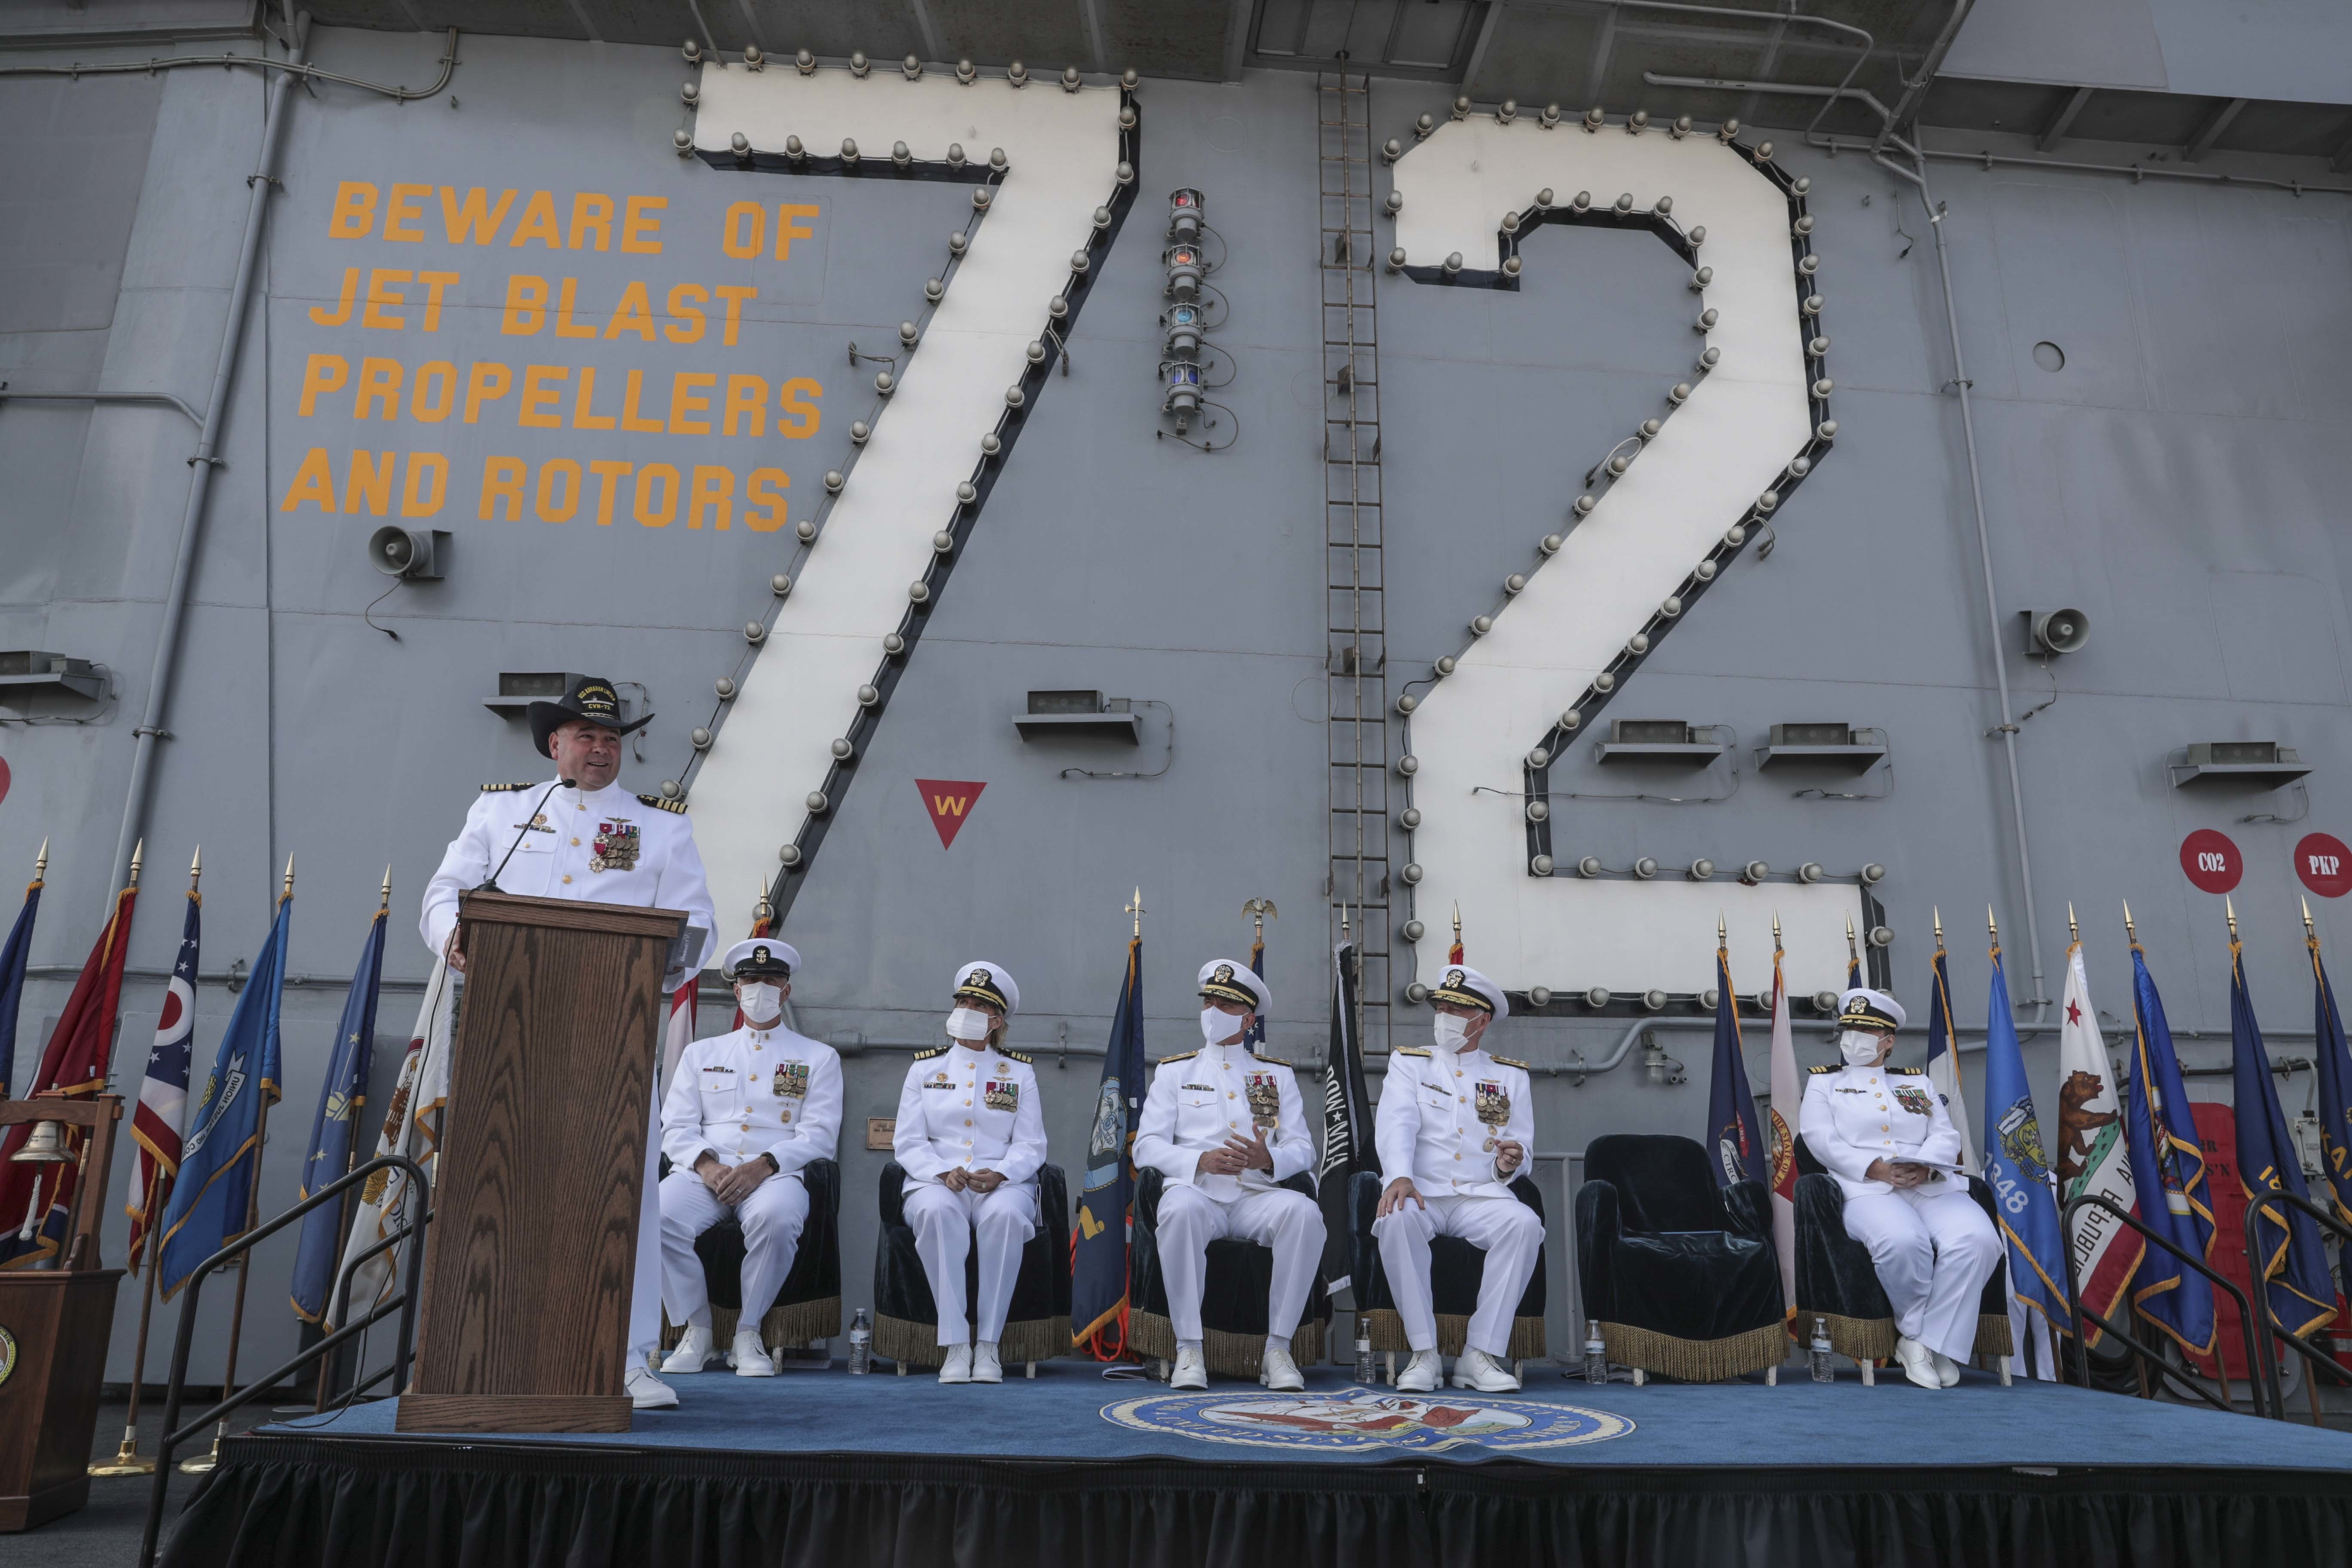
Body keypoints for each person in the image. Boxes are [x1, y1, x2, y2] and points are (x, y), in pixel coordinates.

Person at [421, 674, 715, 1411]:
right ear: (554, 743)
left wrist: (666, 957)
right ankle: (489, 1350)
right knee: (501, 1186)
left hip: (612, 1035)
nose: (600, 749)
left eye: (612, 738)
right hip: (509, 1033)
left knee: (627, 1194)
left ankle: (629, 1358)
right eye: (586, 736)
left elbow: (697, 927)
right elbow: (442, 896)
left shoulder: (660, 825)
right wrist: (456, 938)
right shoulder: (504, 811)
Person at [1133, 960, 1324, 1392]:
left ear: (1248, 1019)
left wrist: (1267, 1159)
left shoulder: (1276, 1076)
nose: (1213, 1009)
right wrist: (1199, 1160)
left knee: (1306, 1215)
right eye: (1209, 1001)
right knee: (1177, 1211)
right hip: (1199, 1194)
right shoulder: (1175, 1072)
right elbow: (1145, 1146)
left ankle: (1278, 1349)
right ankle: (1189, 1349)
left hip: (1256, 1198)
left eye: (1225, 1003)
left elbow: (1304, 1149)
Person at [1799, 986, 2001, 1391]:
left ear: (1887, 1042)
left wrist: (1925, 1169)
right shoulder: (1825, 1084)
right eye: (1848, 1030)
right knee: (1903, 1242)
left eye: (1864, 1032)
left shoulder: (1916, 1084)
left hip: (1927, 1185)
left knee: (1980, 1241)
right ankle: (1922, 1338)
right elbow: (1818, 1136)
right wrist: (1874, 1168)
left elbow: (1944, 1135)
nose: (1852, 1039)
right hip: (1865, 1190)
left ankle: (1923, 1341)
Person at [657, 938, 841, 1378]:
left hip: (774, 1175)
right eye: (751, 980)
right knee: (657, 1216)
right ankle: (697, 1330)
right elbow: (676, 1127)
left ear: (787, 990)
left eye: (772, 980)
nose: (761, 987)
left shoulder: (818, 1058)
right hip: (707, 1173)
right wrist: (707, 1166)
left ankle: (748, 1331)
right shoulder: (702, 1054)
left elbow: (820, 1135)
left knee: (778, 1220)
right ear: (737, 991)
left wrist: (764, 1166)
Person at [1372, 964, 1541, 1393]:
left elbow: (1522, 1150)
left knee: (1524, 1225)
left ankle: (1478, 1355)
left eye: (1456, 1009)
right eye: (1441, 1006)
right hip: (1422, 1190)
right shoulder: (1412, 1064)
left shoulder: (1510, 1075)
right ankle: (1424, 1354)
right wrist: (1400, 1176)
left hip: (1478, 1196)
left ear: (1482, 1021)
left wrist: (1508, 1164)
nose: (1444, 1015)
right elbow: (1397, 1123)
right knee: (1396, 1220)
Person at [892, 963, 1047, 1384]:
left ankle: (990, 1347)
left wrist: (1001, 1174)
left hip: (1001, 1183)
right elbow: (908, 1141)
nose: (967, 1009)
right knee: (936, 1215)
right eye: (962, 1002)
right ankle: (957, 1345)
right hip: (938, 1181)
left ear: (997, 1020)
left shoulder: (1019, 1073)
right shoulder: (924, 1071)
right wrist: (942, 1172)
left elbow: (1032, 1144)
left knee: (1005, 1219)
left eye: (979, 1005)